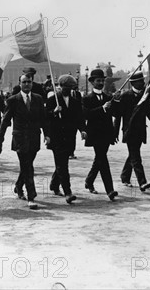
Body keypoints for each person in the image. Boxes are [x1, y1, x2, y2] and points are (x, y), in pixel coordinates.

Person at [0, 74, 50, 210]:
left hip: (34, 138)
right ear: (19, 84)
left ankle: (19, 186)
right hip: (20, 139)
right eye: (24, 82)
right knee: (27, 166)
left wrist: (47, 135)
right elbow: (5, 121)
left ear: (32, 83)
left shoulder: (37, 99)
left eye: (29, 82)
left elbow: (43, 119)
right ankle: (32, 196)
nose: (27, 84)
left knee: (27, 165)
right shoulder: (13, 100)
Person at [114, 70, 150, 192]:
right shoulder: (125, 96)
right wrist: (115, 132)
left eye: (143, 80)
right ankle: (142, 182)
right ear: (133, 83)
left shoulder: (144, 96)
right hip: (129, 131)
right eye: (140, 81)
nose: (143, 82)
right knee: (136, 157)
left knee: (133, 155)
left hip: (140, 131)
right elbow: (118, 115)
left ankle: (125, 177)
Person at [46, 75, 86, 204]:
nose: (67, 90)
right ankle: (68, 192)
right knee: (63, 165)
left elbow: (79, 118)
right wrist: (54, 111)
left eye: (70, 88)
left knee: (62, 163)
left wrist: (83, 130)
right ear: (60, 86)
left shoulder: (75, 101)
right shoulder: (53, 100)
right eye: (65, 87)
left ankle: (54, 184)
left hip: (69, 138)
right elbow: (44, 117)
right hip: (56, 138)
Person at [83, 69, 118, 200]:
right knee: (103, 160)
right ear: (92, 82)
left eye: (102, 81)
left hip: (106, 134)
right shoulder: (86, 99)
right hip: (95, 134)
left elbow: (114, 113)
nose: (101, 83)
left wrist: (117, 101)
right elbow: (86, 114)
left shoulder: (109, 98)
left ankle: (89, 181)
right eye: (98, 81)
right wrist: (102, 108)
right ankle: (110, 190)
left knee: (99, 159)